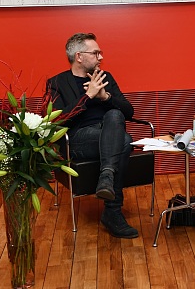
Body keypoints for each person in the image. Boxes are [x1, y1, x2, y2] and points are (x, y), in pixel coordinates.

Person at [46, 33, 138, 239]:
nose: (100, 57)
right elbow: (57, 121)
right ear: (79, 56)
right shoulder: (57, 83)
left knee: (116, 118)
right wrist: (87, 96)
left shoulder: (107, 78)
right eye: (95, 53)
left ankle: (107, 179)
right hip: (78, 139)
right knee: (124, 140)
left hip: (109, 134)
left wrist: (105, 97)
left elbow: (128, 112)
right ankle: (113, 212)